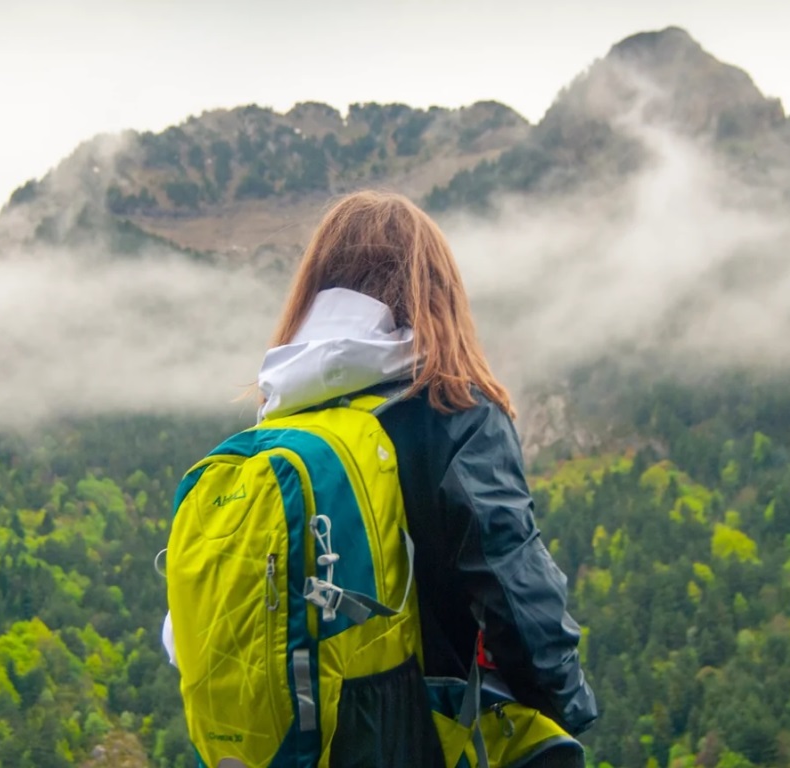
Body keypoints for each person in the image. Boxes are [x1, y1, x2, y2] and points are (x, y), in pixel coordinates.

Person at [165, 189, 597, 766]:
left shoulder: (282, 419)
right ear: (438, 293)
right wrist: (568, 707)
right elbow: (520, 599)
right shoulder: (454, 412)